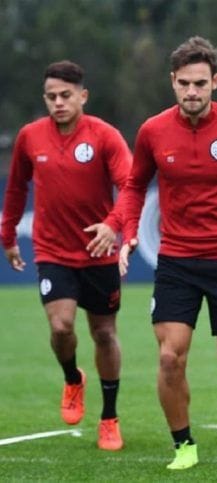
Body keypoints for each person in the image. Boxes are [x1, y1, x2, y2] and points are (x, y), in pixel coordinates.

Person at [105, 36, 217, 470]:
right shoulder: (152, 131)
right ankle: (183, 444)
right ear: (172, 82)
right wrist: (124, 229)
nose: (192, 92)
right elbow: (133, 184)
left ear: (215, 82)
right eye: (184, 83)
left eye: (200, 83)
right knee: (169, 355)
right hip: (177, 260)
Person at [1, 60, 132, 451]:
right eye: (51, 96)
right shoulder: (29, 137)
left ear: (82, 96)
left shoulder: (105, 136)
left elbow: (130, 185)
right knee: (61, 327)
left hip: (99, 252)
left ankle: (109, 417)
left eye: (65, 96)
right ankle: (73, 378)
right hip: (53, 251)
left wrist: (112, 224)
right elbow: (16, 188)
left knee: (104, 333)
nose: (58, 103)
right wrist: (7, 235)